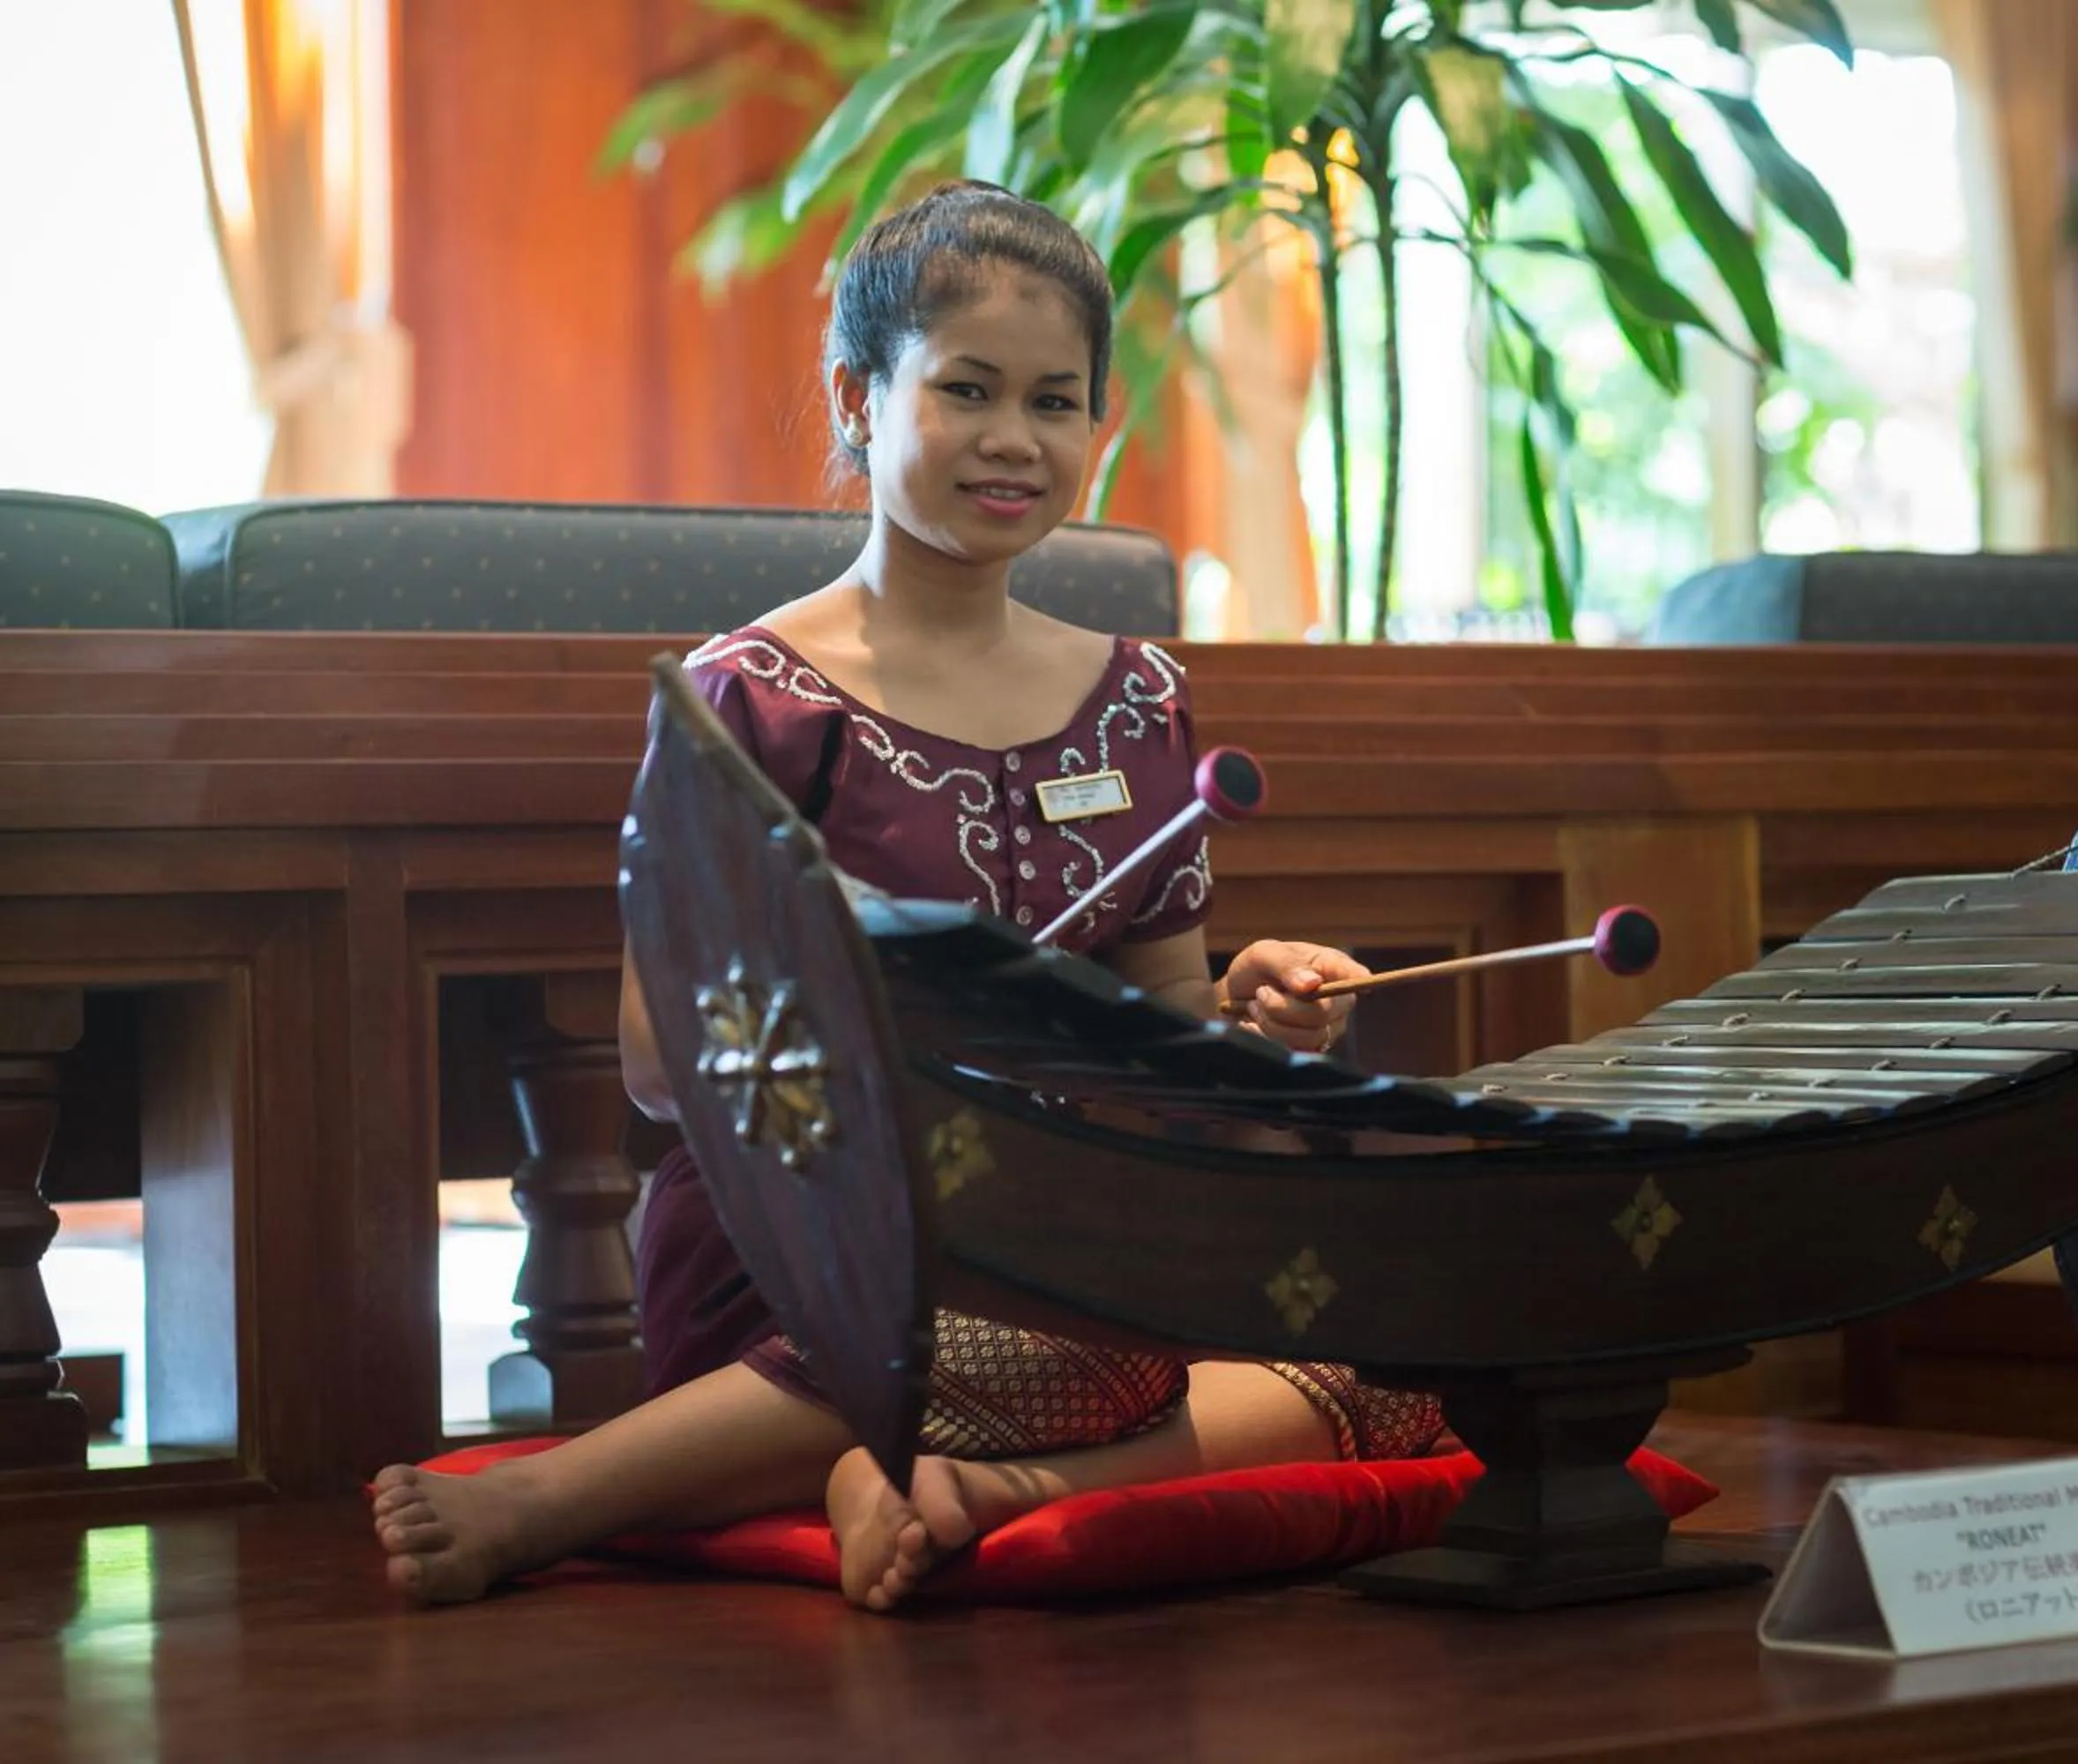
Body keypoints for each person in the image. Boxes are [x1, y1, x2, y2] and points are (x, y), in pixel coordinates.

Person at [369, 181, 1444, 1612]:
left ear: (1098, 426)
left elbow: (1166, 1011)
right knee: (1094, 1327)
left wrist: (1252, 1012)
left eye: (1056, 400)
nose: (1016, 439)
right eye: (968, 390)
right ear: (861, 399)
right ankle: (557, 1497)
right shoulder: (744, 699)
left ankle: (978, 1486)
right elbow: (655, 1068)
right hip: (809, 1247)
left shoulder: (1142, 697)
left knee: (1424, 1323)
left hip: (1070, 1226)